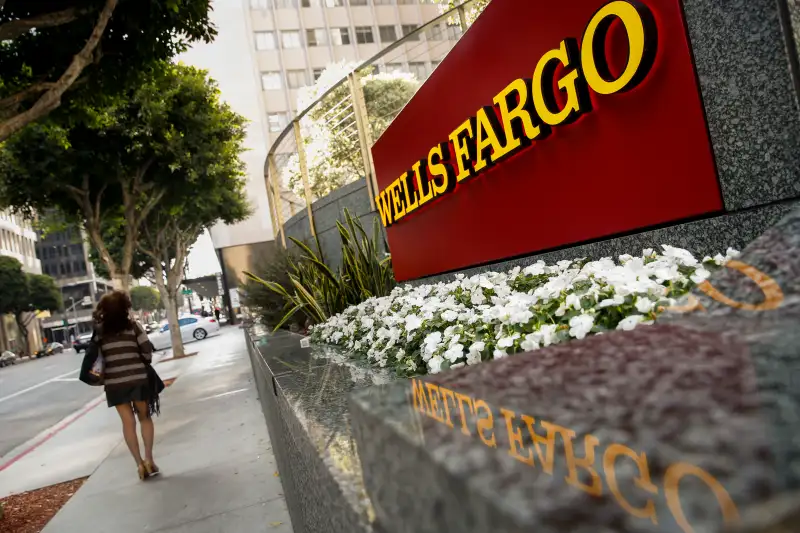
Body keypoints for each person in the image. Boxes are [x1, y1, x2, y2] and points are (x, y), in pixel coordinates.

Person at [93, 291, 160, 480]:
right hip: (138, 379)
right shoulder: (133, 327)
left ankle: (139, 464)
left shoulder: (99, 332)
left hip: (114, 384)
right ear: (125, 308)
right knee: (144, 418)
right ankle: (149, 459)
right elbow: (147, 351)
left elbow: (96, 358)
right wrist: (140, 361)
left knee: (128, 423)